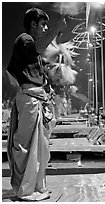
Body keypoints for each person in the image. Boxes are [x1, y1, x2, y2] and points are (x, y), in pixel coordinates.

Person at [7, 7, 66, 201]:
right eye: (43, 25)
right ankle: (25, 189)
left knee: (40, 149)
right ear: (33, 24)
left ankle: (34, 187)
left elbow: (35, 67)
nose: (45, 28)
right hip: (30, 100)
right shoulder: (25, 39)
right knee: (25, 147)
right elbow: (37, 49)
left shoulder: (31, 46)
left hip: (36, 100)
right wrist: (56, 29)